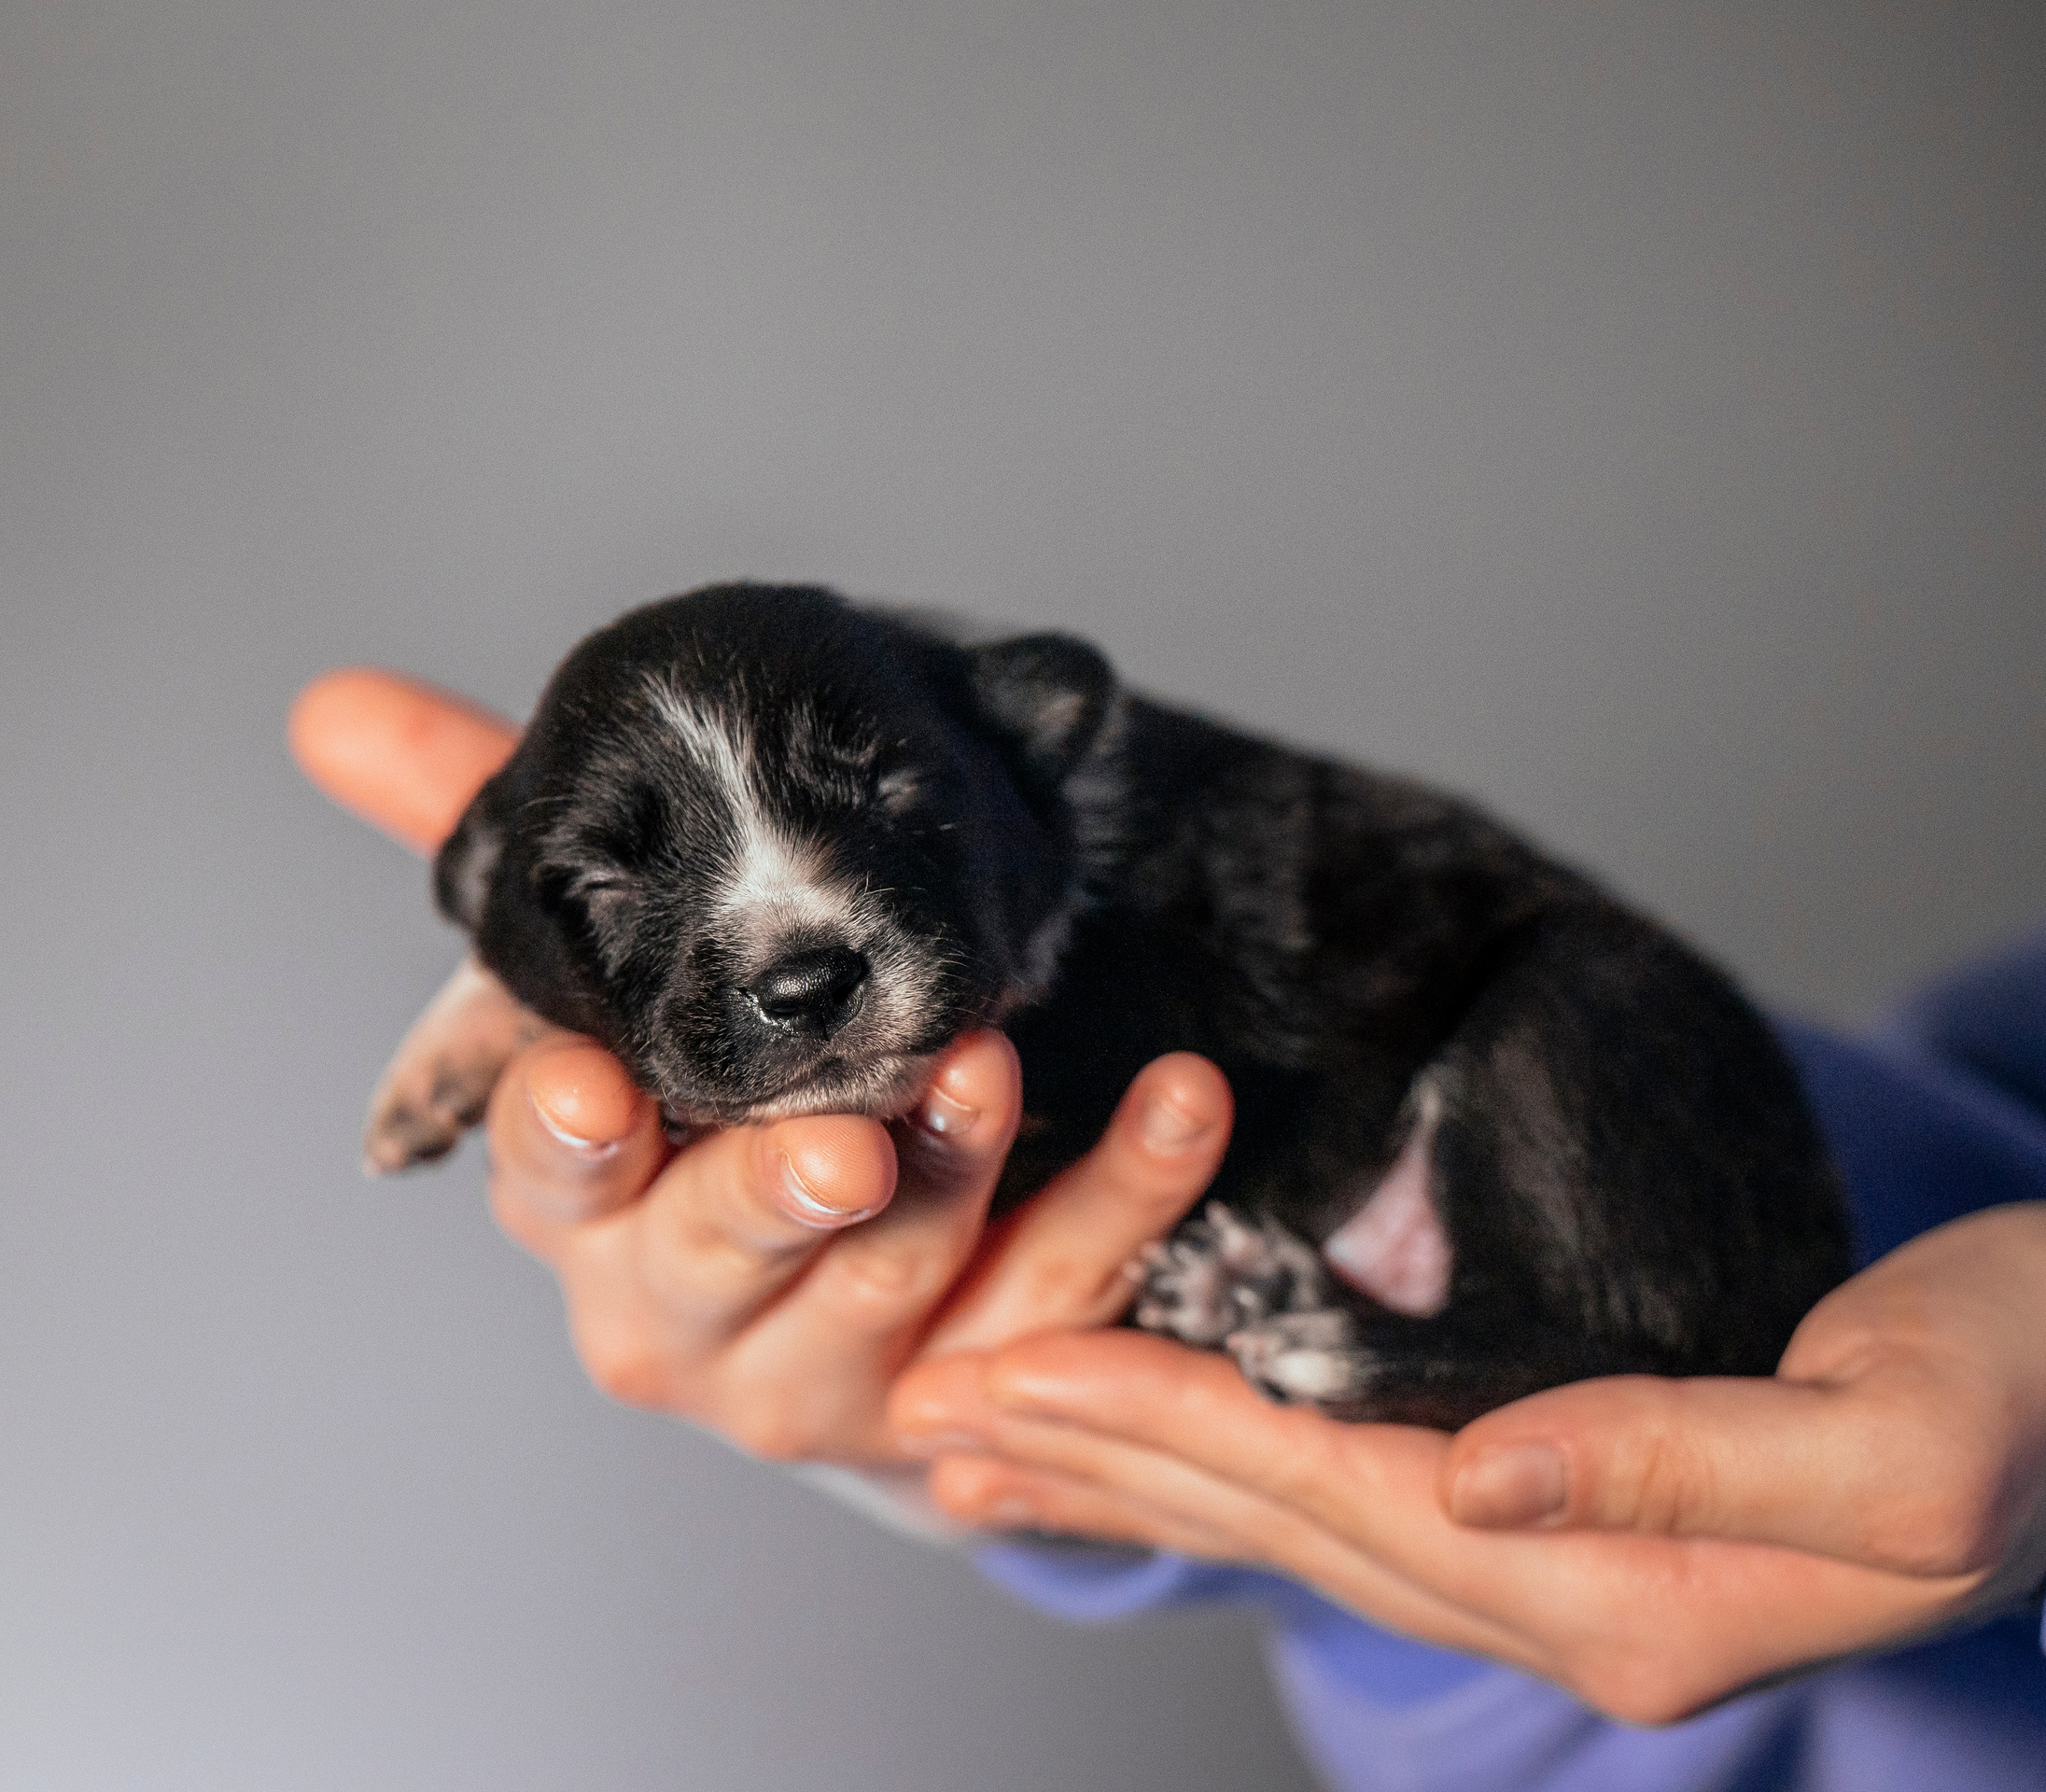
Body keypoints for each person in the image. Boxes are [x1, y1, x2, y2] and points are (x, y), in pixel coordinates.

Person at [291, 668, 2046, 1792]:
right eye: (602, 881)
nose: (790, 936)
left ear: (1020, 746)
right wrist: (1029, 1450)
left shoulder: (1102, 823)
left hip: (1562, 1171)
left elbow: (1662, 1153)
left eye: (887, 798)